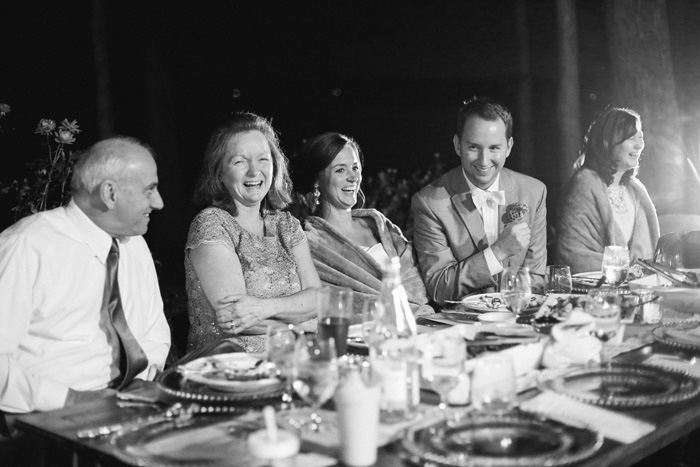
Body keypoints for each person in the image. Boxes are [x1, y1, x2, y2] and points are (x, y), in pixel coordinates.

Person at [0, 137, 171, 416]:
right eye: (149, 190)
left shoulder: (134, 244)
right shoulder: (27, 246)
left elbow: (153, 330)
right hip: (45, 422)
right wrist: (71, 400)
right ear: (110, 194)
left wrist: (140, 386)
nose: (159, 203)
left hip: (129, 406)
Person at [185, 112, 320, 354]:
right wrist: (301, 323)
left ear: (275, 165)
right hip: (226, 367)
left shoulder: (287, 225)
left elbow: (319, 299)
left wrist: (262, 308)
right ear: (219, 173)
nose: (253, 172)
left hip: (292, 361)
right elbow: (236, 317)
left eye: (262, 159)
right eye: (240, 162)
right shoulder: (211, 224)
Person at [411, 97, 547, 305]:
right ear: (457, 145)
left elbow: (535, 278)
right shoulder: (429, 203)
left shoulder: (534, 191)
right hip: (460, 324)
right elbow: (439, 287)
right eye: (474, 147)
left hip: (518, 316)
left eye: (494, 148)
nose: (484, 161)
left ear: (509, 147)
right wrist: (498, 251)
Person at [290, 132, 432, 315]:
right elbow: (338, 306)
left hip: (429, 321)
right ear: (317, 181)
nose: (353, 177)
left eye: (355, 168)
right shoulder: (311, 245)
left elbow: (417, 275)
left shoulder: (378, 223)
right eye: (340, 170)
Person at [556, 107, 660, 274]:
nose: (639, 145)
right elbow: (574, 256)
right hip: (593, 294)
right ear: (608, 141)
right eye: (631, 138)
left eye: (640, 137)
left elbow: (648, 256)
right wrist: (626, 271)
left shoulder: (635, 190)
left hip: (638, 290)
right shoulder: (584, 185)